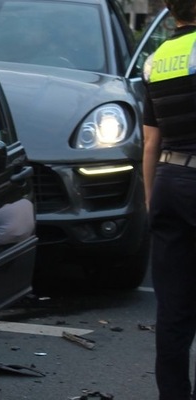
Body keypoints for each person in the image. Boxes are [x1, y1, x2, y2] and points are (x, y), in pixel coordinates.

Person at [141, 1, 196, 398]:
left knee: (173, 308)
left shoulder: (157, 59)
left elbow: (149, 142)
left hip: (168, 180)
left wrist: (150, 199)